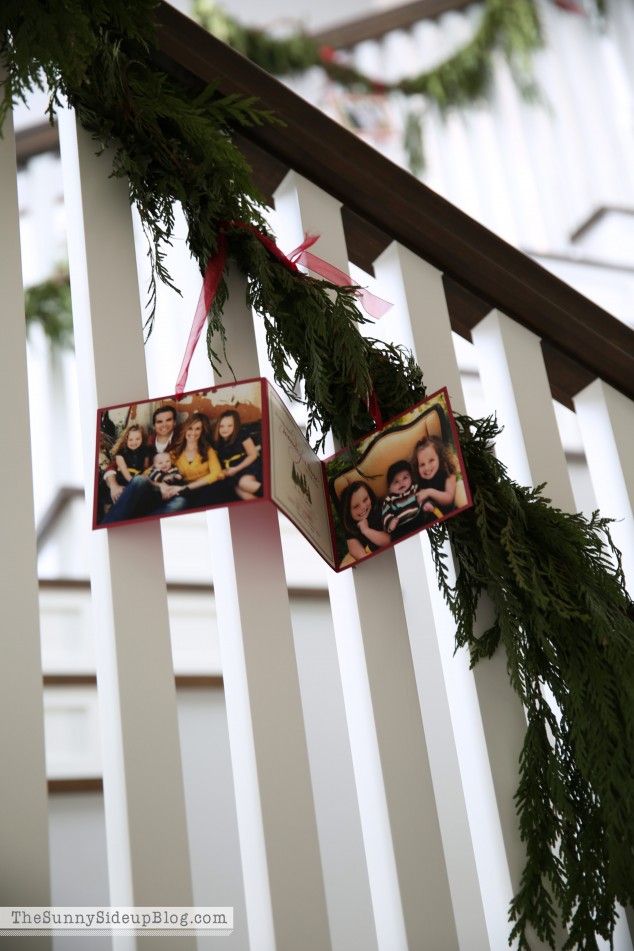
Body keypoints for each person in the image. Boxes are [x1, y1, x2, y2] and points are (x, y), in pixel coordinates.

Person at [100, 404, 183, 523]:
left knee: (180, 503)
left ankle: (143, 523)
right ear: (154, 426)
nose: (164, 425)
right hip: (145, 486)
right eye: (159, 421)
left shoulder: (180, 442)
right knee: (139, 480)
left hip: (163, 490)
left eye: (168, 420)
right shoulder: (144, 443)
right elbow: (114, 465)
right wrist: (113, 485)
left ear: (175, 422)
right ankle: (110, 524)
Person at [154, 412, 233, 512]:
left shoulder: (207, 450)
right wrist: (161, 485)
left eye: (197, 429)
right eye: (190, 428)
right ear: (185, 429)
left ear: (202, 431)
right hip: (184, 491)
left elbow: (216, 473)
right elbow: (151, 470)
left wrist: (186, 487)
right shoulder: (176, 452)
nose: (193, 432)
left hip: (205, 489)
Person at [212, 409, 262, 500]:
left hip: (247, 466)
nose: (225, 429)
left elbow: (253, 455)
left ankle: (270, 496)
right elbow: (219, 463)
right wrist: (224, 472)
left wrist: (236, 469)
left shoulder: (241, 434)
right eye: (221, 426)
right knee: (244, 495)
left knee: (244, 483)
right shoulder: (217, 442)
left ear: (235, 426)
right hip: (231, 474)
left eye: (229, 426)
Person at [340, 481, 390, 562]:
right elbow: (362, 557)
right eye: (356, 506)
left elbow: (389, 540)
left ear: (370, 496)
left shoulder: (381, 508)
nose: (363, 507)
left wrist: (366, 530)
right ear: (348, 511)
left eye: (365, 499)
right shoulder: (351, 529)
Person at [381, 459, 427, 539]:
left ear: (411, 478)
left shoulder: (414, 488)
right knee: (396, 537)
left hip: (417, 519)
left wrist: (425, 505)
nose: (401, 483)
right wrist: (390, 522)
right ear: (390, 488)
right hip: (400, 527)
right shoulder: (389, 500)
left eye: (405, 478)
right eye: (396, 482)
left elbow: (421, 497)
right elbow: (386, 514)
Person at [413, 435, 458, 517]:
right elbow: (420, 499)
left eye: (431, 460)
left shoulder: (448, 470)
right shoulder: (419, 479)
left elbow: (449, 499)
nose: (427, 468)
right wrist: (425, 504)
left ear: (440, 457)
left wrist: (429, 492)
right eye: (422, 464)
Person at [110, 423, 151, 487]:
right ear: (126, 440)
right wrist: (135, 484)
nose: (134, 442)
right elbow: (124, 470)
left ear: (142, 438)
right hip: (123, 480)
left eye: (137, 439)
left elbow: (145, 467)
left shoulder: (145, 450)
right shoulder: (120, 452)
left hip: (138, 478)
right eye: (130, 440)